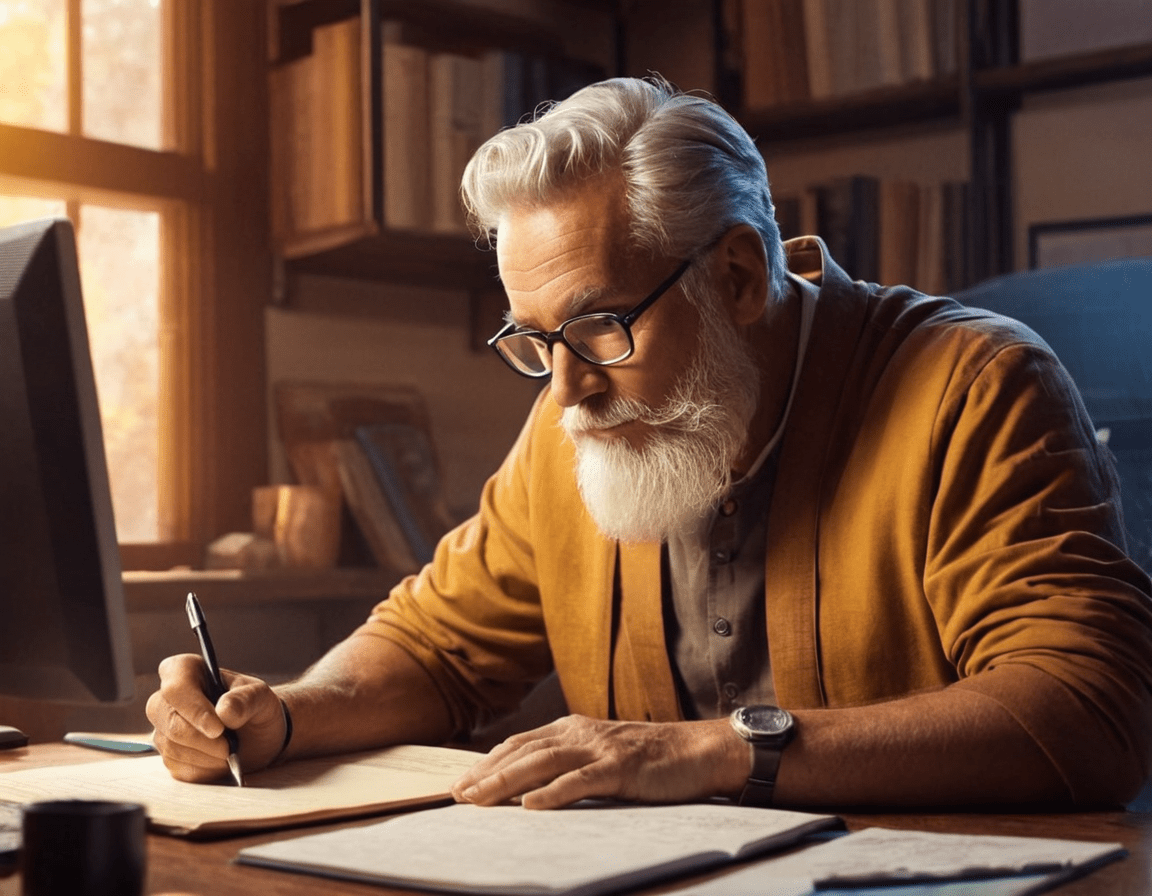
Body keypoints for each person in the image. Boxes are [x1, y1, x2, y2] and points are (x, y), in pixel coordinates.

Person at [148, 77, 1152, 810]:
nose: (570, 391)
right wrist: (282, 712)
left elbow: (1087, 709)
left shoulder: (973, 389)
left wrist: (717, 750)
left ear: (740, 278)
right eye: (534, 342)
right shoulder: (572, 420)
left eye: (599, 326)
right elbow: (436, 645)